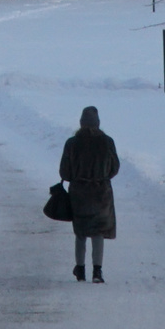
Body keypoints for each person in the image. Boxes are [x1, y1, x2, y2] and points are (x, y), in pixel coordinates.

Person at [58, 106, 119, 282]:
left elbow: (65, 172)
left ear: (81, 123)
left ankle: (80, 269)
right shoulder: (107, 142)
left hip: (79, 193)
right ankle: (97, 271)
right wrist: (102, 177)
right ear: (98, 123)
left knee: (81, 231)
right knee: (98, 231)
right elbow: (114, 168)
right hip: (101, 193)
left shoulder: (72, 143)